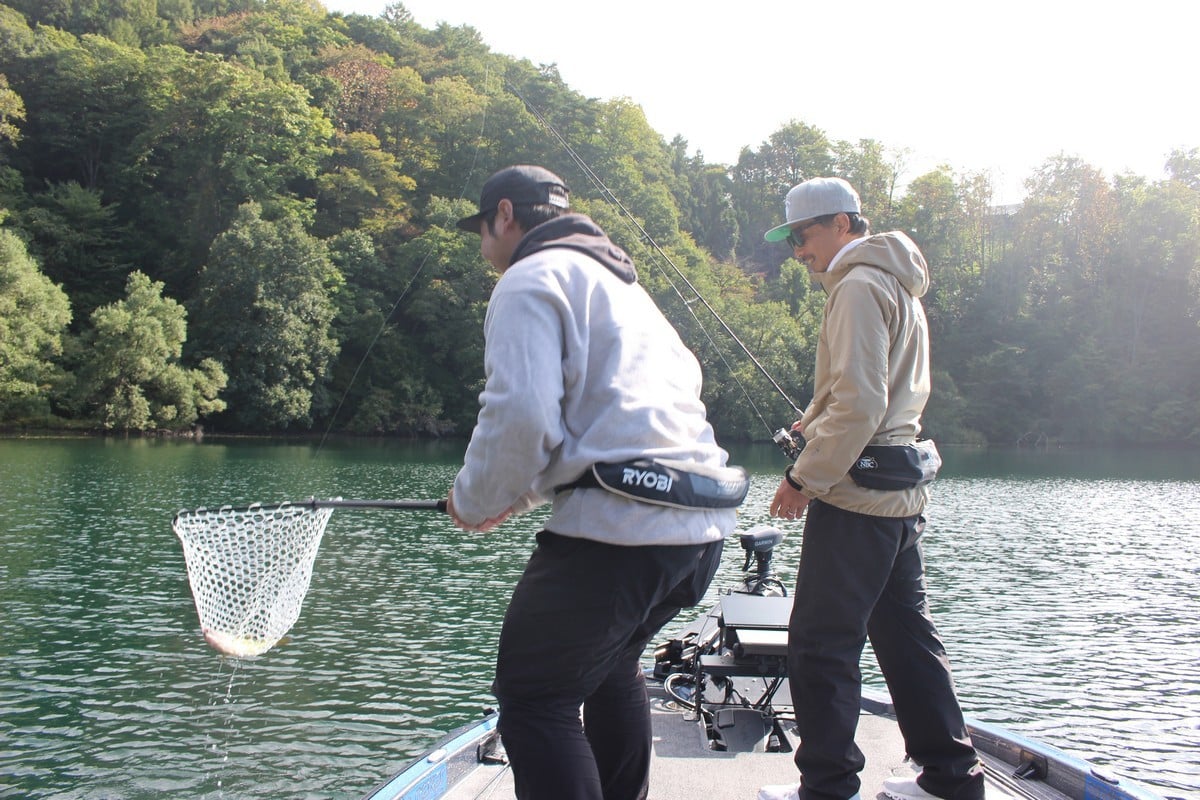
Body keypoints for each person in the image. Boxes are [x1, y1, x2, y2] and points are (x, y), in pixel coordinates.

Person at [447, 164, 740, 800]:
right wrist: (514, 499)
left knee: (534, 698)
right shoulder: (624, 290)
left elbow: (521, 418)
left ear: (504, 215)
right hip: (701, 530)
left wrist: (473, 501)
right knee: (609, 669)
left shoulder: (529, 278)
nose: (482, 246)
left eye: (481, 229)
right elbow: (610, 421)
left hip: (626, 529)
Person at [756, 178, 985, 800]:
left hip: (857, 497)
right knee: (906, 638)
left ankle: (827, 787)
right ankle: (951, 778)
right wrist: (813, 418)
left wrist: (803, 476)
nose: (797, 251)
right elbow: (863, 395)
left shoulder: (856, 286)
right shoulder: (894, 282)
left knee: (820, 646)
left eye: (802, 237)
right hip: (898, 496)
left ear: (839, 224)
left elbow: (859, 406)